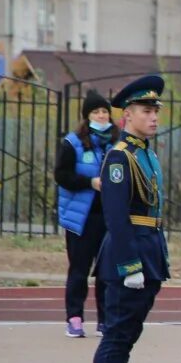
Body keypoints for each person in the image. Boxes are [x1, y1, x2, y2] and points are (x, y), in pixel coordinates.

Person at [90, 75, 170, 363]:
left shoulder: (146, 154)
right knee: (117, 335)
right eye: (146, 111)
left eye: (155, 111)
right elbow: (117, 217)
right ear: (128, 115)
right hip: (129, 254)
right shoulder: (120, 157)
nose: (153, 117)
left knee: (128, 334)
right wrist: (130, 266)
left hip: (149, 247)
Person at [55, 89, 115, 338]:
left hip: (109, 217)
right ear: (86, 116)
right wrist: (90, 182)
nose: (101, 116)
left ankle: (105, 320)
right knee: (79, 269)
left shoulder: (117, 142)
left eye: (104, 111)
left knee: (106, 271)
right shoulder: (72, 143)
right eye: (96, 111)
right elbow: (62, 175)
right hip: (81, 217)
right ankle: (75, 318)